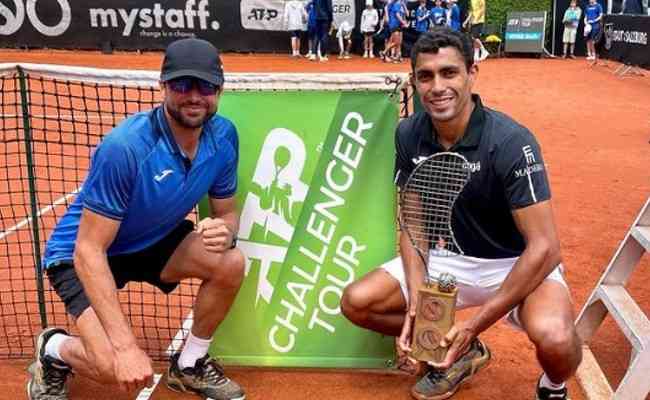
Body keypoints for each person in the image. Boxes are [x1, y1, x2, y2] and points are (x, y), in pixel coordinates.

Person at [340, 28, 582, 400]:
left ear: (472, 73)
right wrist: (420, 297)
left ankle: (553, 387)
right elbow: (414, 221)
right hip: (449, 260)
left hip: (516, 262)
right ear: (415, 82)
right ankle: (464, 354)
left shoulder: (511, 141)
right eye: (425, 76)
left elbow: (546, 248)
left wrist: (474, 325)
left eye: (449, 73)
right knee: (357, 302)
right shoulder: (408, 133)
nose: (437, 86)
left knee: (557, 339)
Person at [27, 38, 246, 400]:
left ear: (219, 90)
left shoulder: (224, 137)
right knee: (113, 366)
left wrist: (226, 232)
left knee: (231, 262)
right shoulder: (125, 148)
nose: (194, 96)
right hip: (81, 253)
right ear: (162, 86)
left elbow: (227, 213)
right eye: (181, 84)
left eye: (205, 86)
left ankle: (189, 364)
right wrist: (126, 346)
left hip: (150, 240)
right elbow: (88, 249)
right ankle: (53, 349)